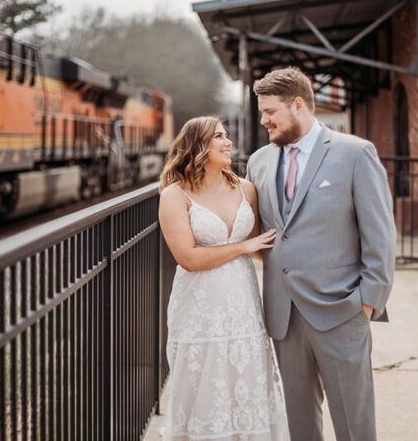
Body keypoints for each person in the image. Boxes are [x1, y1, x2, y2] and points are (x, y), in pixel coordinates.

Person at [245, 67, 396, 441]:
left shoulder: (356, 153)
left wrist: (367, 303)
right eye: (261, 112)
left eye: (269, 112)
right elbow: (266, 233)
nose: (263, 120)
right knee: (299, 422)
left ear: (298, 105)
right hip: (284, 315)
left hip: (341, 311)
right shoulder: (259, 161)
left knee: (353, 423)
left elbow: (380, 236)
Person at [158, 116, 290, 441]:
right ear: (198, 146)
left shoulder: (247, 189)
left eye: (227, 135)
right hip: (199, 306)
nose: (227, 141)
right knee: (204, 384)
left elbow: (263, 246)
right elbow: (187, 258)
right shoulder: (174, 196)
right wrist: (242, 246)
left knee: (245, 378)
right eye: (219, 136)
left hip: (243, 303)